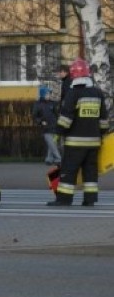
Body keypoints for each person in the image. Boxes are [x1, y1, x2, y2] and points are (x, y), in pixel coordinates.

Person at [48, 58, 109, 207]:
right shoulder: (97, 93)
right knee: (90, 172)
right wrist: (101, 134)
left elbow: (66, 119)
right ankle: (90, 200)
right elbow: (104, 120)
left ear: (73, 76)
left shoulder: (72, 93)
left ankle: (64, 199)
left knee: (69, 170)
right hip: (94, 142)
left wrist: (58, 132)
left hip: (75, 142)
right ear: (88, 74)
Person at [31, 86, 61, 165]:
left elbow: (56, 114)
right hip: (46, 128)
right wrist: (40, 122)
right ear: (43, 95)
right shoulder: (38, 104)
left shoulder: (52, 103)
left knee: (52, 144)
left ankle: (49, 159)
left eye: (49, 94)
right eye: (47, 94)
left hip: (55, 126)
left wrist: (58, 122)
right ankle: (58, 158)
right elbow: (34, 116)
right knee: (51, 144)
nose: (49, 95)